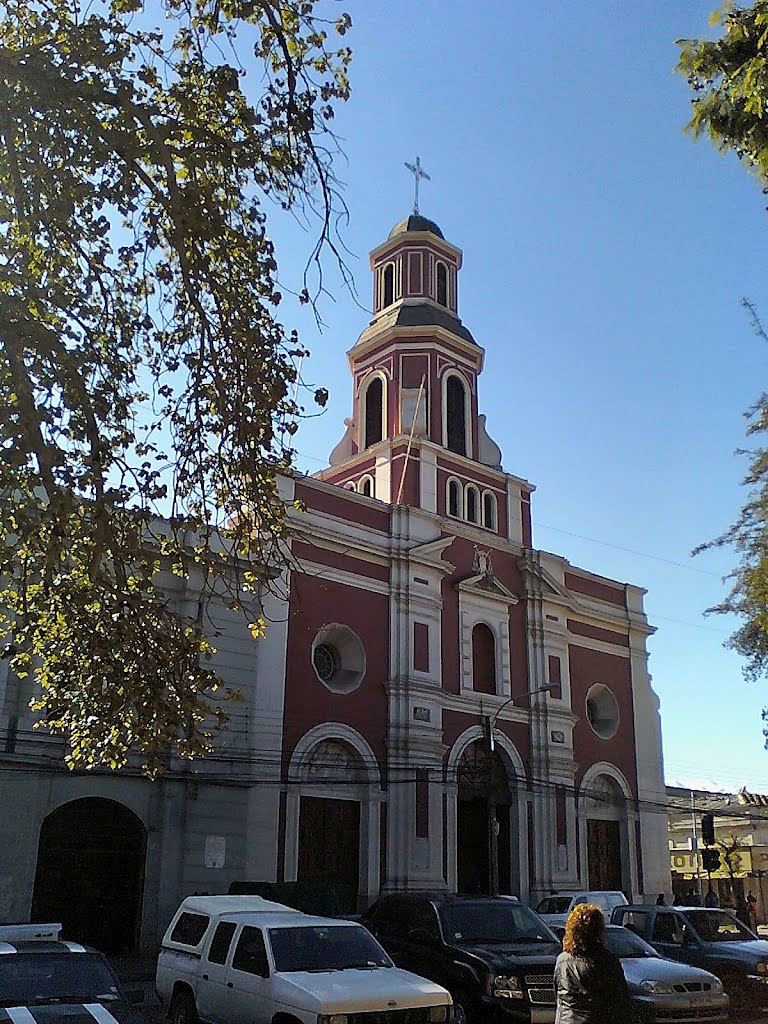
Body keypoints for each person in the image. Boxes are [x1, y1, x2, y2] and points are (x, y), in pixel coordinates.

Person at [554, 903, 634, 1024]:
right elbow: (620, 1001)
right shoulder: (605, 960)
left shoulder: (562, 960)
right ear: (598, 930)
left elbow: (559, 996)